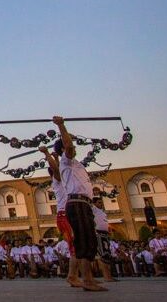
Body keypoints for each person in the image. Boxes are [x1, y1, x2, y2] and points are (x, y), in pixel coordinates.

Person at [52, 115, 106, 291]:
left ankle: (85, 277)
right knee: (82, 241)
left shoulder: (75, 164)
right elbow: (67, 146)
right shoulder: (66, 162)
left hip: (83, 204)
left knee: (89, 241)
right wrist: (61, 126)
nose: (73, 147)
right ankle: (87, 280)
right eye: (71, 146)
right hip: (76, 203)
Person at [38, 145, 80, 286]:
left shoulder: (63, 181)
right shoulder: (57, 179)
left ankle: (75, 276)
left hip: (67, 215)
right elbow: (56, 169)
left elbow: (58, 167)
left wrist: (55, 156)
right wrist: (47, 154)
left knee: (76, 246)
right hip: (64, 216)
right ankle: (72, 276)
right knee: (75, 247)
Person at [91, 196, 116, 282]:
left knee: (106, 254)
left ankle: (108, 275)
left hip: (105, 234)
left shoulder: (102, 212)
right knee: (103, 255)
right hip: (99, 233)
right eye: (99, 202)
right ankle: (106, 276)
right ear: (94, 203)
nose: (101, 204)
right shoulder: (93, 209)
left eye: (101, 202)